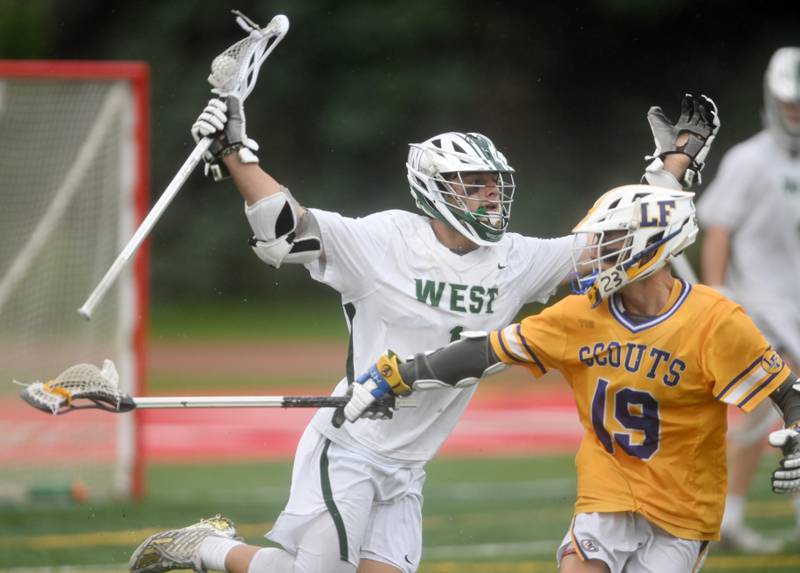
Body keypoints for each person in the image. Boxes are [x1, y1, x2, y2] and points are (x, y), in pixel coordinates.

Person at [128, 92, 718, 573]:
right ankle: (205, 548)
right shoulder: (384, 241)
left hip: (410, 462)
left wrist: (673, 169)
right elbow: (289, 227)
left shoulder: (516, 258)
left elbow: (617, 241)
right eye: (476, 184)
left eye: (495, 183)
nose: (492, 195)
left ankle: (204, 547)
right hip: (352, 444)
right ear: (437, 190)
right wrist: (235, 153)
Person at [342, 182, 800, 573]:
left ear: (653, 245)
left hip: (683, 507)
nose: (599, 253)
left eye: (615, 240)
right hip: (606, 494)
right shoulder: (580, 315)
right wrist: (401, 374)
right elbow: (485, 350)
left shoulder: (715, 320)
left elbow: (787, 393)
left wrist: (797, 434)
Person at [696, 46, 800, 553]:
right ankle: (729, 516)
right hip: (760, 310)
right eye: (789, 102)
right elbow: (718, 229)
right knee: (767, 413)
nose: (794, 112)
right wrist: (718, 294)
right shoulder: (749, 160)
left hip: (796, 308)